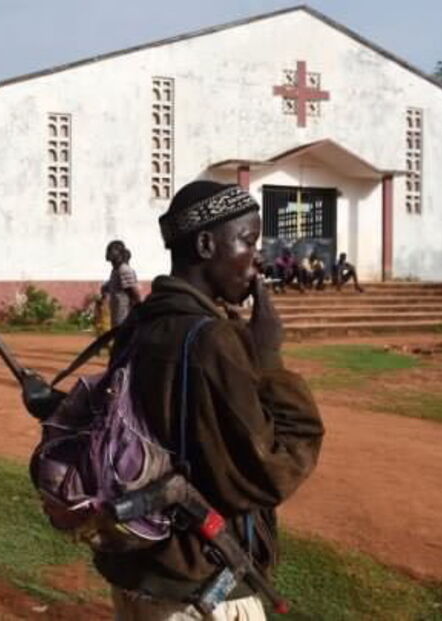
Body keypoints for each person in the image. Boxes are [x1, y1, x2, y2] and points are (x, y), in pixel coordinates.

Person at [96, 181, 324, 620]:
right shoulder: (212, 341)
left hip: (137, 573)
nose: (256, 257)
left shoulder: (140, 324)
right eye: (247, 240)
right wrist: (269, 359)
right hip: (200, 587)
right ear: (205, 243)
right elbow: (271, 471)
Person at [100, 240, 142, 328]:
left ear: (119, 253)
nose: (108, 253)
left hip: (125, 316)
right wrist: (104, 290)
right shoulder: (115, 271)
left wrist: (139, 310)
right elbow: (111, 286)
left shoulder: (124, 270)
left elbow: (134, 291)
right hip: (117, 314)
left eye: (111, 250)